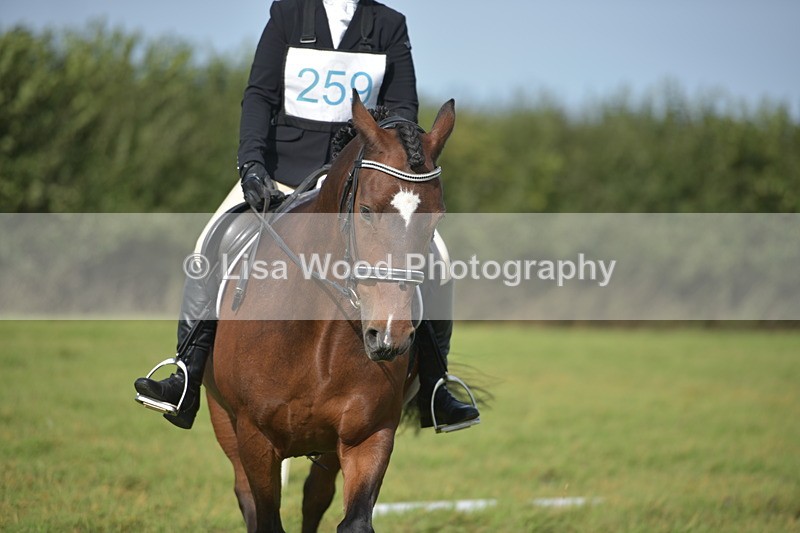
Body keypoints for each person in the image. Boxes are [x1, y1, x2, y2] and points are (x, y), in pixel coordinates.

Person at [134, 0, 479, 431]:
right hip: (283, 175)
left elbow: (403, 111)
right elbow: (259, 95)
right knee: (211, 241)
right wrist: (251, 166)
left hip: (360, 182)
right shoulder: (288, 14)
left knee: (438, 260)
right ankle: (185, 374)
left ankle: (433, 386)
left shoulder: (390, 24)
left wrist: (392, 174)